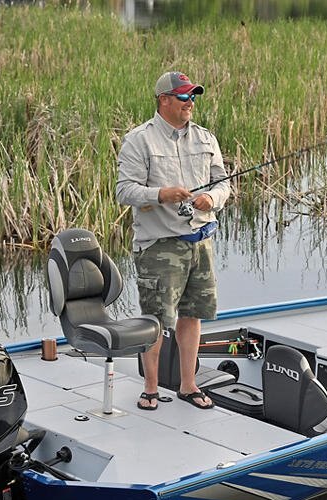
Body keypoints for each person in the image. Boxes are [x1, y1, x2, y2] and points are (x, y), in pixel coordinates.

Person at [116, 71, 231, 410]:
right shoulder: (139, 140)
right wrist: (162, 194)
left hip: (201, 241)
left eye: (193, 97)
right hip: (160, 245)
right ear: (163, 99)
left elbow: (222, 183)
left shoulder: (206, 138)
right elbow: (124, 191)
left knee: (192, 315)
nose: (190, 103)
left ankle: (188, 385)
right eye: (183, 97)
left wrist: (213, 199)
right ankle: (150, 388)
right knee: (155, 321)